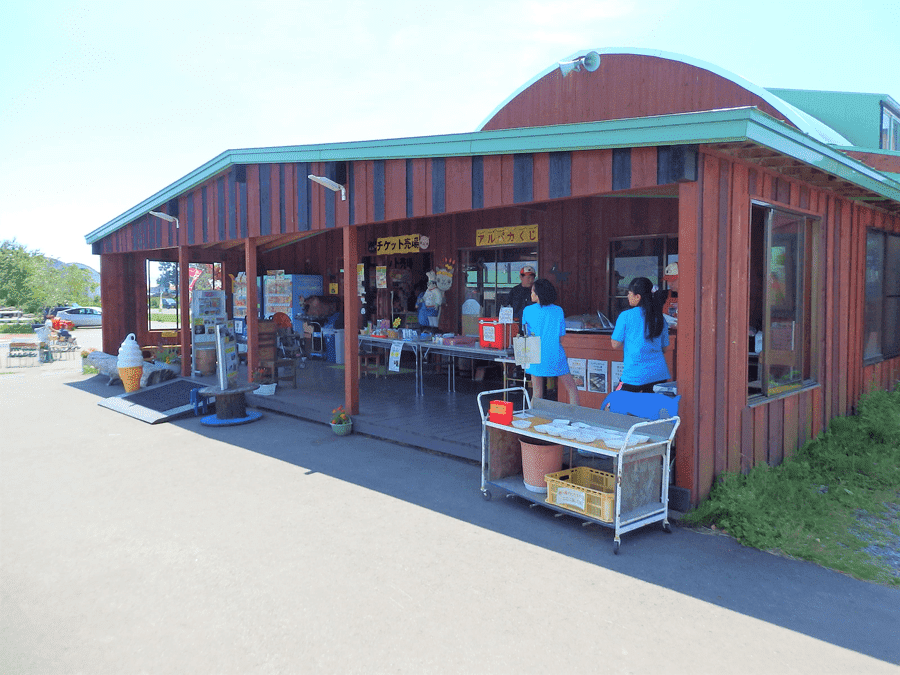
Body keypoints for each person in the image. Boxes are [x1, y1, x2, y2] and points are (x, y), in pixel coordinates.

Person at [521, 278, 580, 405]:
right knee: (571, 388)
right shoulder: (558, 310)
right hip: (555, 353)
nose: (531, 294)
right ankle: (576, 417)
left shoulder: (527, 311)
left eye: (532, 291)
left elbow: (526, 333)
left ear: (538, 294)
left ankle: (534, 418)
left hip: (534, 354)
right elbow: (561, 336)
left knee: (537, 393)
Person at [610, 276, 670, 393]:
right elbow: (665, 348)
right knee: (649, 409)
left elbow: (615, 344)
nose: (627, 296)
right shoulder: (660, 317)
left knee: (611, 405)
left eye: (629, 293)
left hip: (634, 374)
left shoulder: (626, 316)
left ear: (638, 297)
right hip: (658, 373)